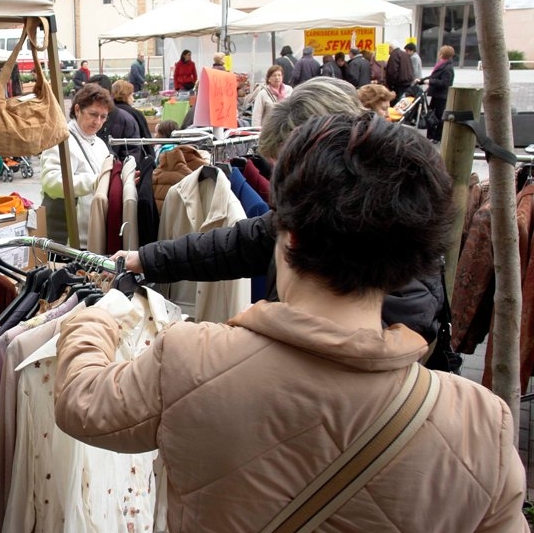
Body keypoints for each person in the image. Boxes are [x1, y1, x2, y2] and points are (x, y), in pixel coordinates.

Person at [57, 112, 534, 533]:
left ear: (288, 235)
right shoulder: (480, 427)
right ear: (417, 258)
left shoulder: (189, 359)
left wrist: (97, 316)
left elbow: (82, 402)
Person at [115, 77, 446, 346]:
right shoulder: (325, 206)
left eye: (292, 162)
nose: (283, 177)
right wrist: (145, 258)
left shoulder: (387, 225)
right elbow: (240, 242)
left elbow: (400, 326)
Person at [39, 82, 113, 248]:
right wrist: (96, 180)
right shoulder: (61, 140)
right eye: (93, 114)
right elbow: (51, 182)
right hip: (66, 240)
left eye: (103, 117)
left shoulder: (99, 143)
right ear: (77, 110)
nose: (98, 122)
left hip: (92, 236)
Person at [103, 79, 148, 164]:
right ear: (126, 95)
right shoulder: (134, 114)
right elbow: (145, 138)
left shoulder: (107, 110)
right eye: (131, 95)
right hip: (129, 161)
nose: (133, 98)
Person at [419, 44, 456, 142]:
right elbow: (433, 76)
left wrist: (430, 82)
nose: (438, 54)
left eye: (440, 52)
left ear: (443, 54)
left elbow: (445, 83)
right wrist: (422, 80)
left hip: (441, 96)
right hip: (436, 95)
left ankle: (436, 137)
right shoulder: (441, 65)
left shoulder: (447, 68)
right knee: (432, 116)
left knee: (438, 117)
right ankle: (431, 136)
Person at [251, 64, 293, 129]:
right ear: (269, 79)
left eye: (279, 75)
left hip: (286, 128)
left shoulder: (289, 90)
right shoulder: (263, 94)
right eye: (274, 75)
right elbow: (257, 115)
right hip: (269, 130)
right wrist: (256, 131)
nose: (277, 78)